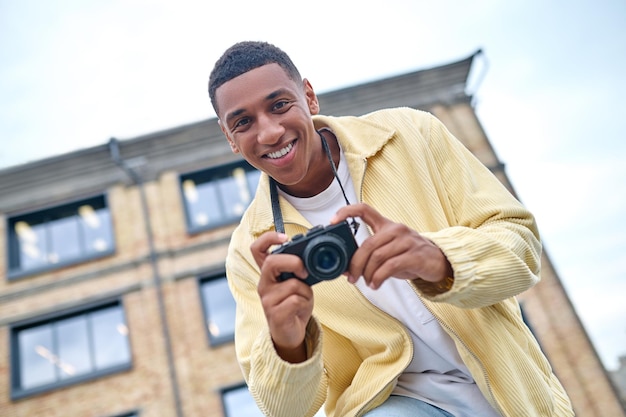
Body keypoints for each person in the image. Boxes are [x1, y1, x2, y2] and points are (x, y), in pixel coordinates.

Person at [208, 41, 574, 417]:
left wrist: (439, 260)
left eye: (279, 104)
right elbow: (284, 411)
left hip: (517, 395)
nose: (268, 132)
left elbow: (523, 246)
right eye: (243, 122)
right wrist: (286, 343)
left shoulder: (411, 134)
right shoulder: (248, 252)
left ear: (309, 96)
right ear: (229, 138)